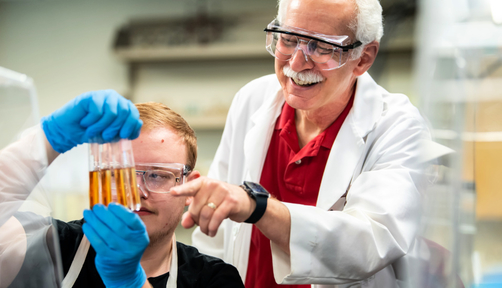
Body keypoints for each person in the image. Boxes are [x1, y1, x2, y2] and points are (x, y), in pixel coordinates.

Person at [169, 0, 431, 287]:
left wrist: (258, 207)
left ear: (364, 57)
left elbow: (370, 243)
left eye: (320, 47)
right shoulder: (252, 99)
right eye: (289, 39)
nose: (296, 63)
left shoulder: (397, 127)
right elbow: (216, 238)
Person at [0, 90, 244, 288]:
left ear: (189, 187)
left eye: (158, 175)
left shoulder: (214, 279)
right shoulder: (50, 246)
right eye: (120, 175)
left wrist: (130, 281)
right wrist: (48, 139)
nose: (136, 192)